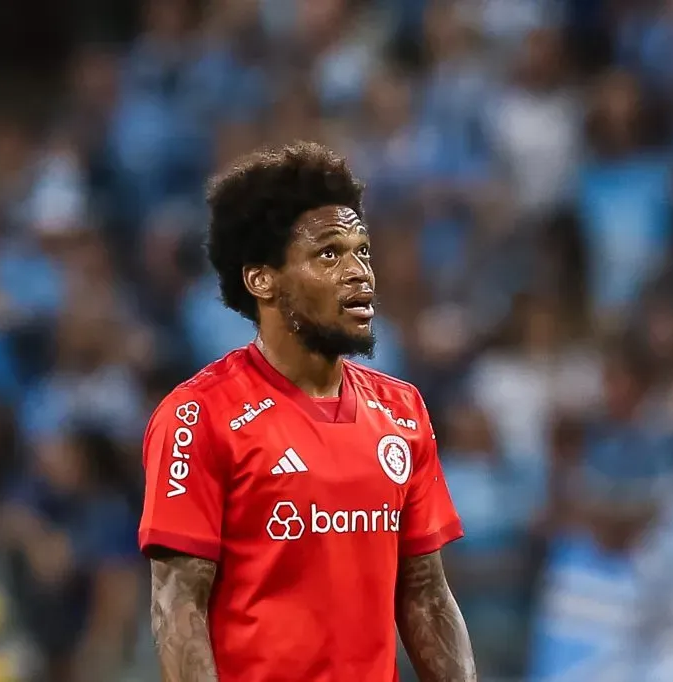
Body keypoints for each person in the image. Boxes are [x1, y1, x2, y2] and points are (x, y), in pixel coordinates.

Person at [138, 142, 476, 682]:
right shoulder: (199, 415)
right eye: (329, 254)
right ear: (262, 280)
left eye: (362, 250)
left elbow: (426, 594)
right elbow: (178, 606)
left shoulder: (402, 410)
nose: (359, 272)